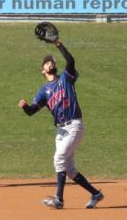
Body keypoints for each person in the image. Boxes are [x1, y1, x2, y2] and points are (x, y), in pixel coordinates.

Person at [19, 40, 104, 209]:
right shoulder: (43, 91)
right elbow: (32, 111)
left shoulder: (66, 78)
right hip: (61, 131)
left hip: (74, 125)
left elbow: (71, 61)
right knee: (70, 170)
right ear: (43, 70)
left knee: (58, 159)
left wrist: (58, 44)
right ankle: (96, 194)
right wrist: (25, 107)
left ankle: (59, 199)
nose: (50, 62)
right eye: (46, 62)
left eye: (52, 61)